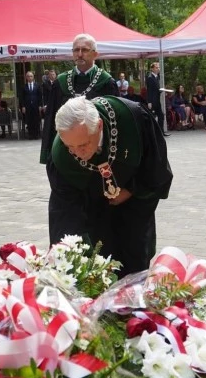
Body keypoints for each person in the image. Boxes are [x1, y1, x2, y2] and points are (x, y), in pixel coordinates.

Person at [47, 96, 172, 276]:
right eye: (70, 147)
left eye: (83, 145)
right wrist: (80, 261)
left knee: (133, 264)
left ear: (98, 126)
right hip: (92, 211)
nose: (78, 153)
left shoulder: (133, 118)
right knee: (94, 266)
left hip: (132, 205)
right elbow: (66, 212)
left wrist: (131, 191)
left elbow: (155, 167)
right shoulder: (61, 155)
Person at [40, 34, 118, 163]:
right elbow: (50, 119)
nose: (80, 54)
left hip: (96, 153)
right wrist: (48, 154)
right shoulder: (61, 82)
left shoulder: (106, 82)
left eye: (85, 50)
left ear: (95, 54)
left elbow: (114, 120)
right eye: (76, 50)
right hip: (65, 151)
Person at [146, 62, 170, 136]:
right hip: (153, 100)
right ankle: (151, 133)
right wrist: (149, 102)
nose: (158, 69)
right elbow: (149, 90)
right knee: (153, 116)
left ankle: (160, 132)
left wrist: (161, 91)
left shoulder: (157, 77)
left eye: (159, 67)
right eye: (156, 67)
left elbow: (156, 89)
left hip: (157, 99)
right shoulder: (150, 78)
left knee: (161, 115)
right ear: (152, 69)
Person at [21, 71, 42, 139]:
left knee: (36, 120)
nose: (30, 78)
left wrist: (40, 105)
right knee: (29, 120)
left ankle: (36, 134)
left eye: (31, 76)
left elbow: (40, 96)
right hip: (28, 106)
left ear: (33, 77)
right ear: (26, 77)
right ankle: (30, 134)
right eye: (28, 76)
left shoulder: (37, 85)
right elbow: (22, 97)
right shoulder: (24, 86)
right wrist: (23, 106)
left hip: (36, 106)